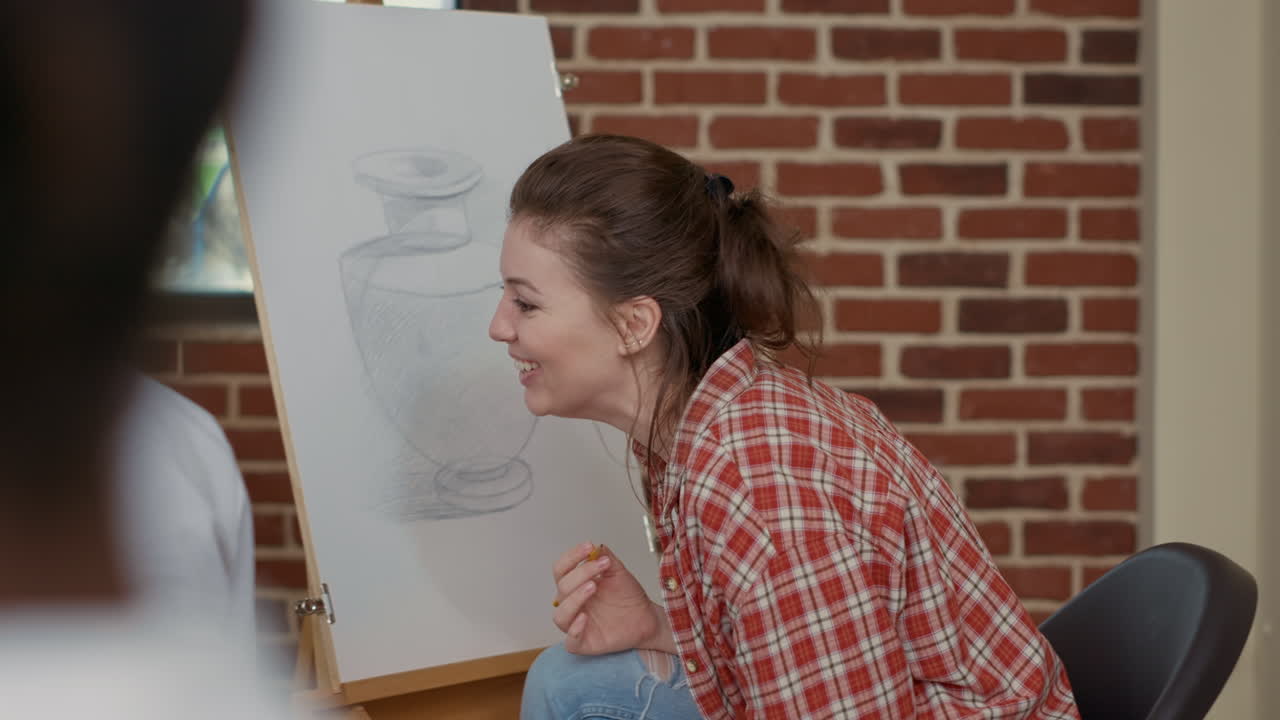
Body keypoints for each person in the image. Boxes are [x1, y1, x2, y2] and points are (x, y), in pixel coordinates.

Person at [490, 134, 1081, 719]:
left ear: (634, 325)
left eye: (527, 304)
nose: (499, 327)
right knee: (566, 683)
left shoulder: (763, 498)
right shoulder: (709, 422)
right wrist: (658, 625)